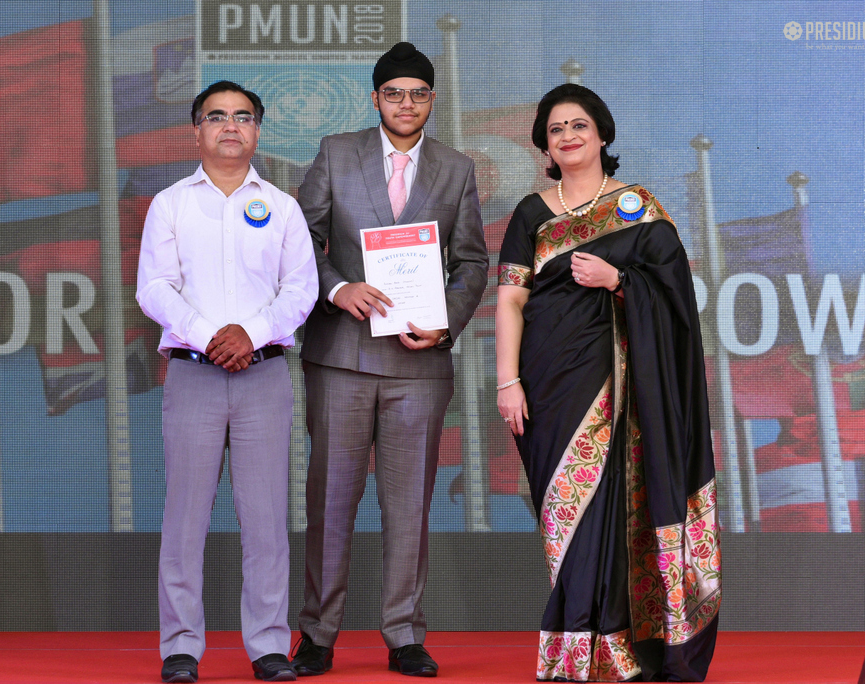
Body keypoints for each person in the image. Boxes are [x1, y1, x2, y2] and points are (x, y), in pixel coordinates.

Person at [495, 84, 721, 682]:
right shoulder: (531, 213)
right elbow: (511, 300)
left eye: (579, 125)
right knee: (564, 513)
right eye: (556, 129)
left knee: (611, 508)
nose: (568, 136)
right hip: (547, 383)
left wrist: (619, 280)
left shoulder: (637, 208)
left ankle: (612, 647)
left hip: (622, 388)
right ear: (544, 145)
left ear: (601, 134)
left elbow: (676, 300)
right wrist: (506, 381)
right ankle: (579, 644)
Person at [291, 42, 488, 678]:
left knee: (409, 507)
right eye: (395, 93)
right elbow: (298, 238)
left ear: (432, 100)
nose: (407, 103)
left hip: (419, 363)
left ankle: (404, 634)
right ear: (375, 98)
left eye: (419, 93)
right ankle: (317, 634)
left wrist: (446, 319)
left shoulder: (456, 168)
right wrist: (335, 288)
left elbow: (472, 261)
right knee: (330, 502)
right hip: (341, 357)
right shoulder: (336, 152)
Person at [136, 80, 318, 683]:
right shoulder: (170, 204)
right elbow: (154, 287)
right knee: (185, 518)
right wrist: (211, 335)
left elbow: (301, 290)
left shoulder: (283, 207)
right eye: (216, 117)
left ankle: (268, 645)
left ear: (258, 130)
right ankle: (180, 647)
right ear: (197, 131)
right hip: (194, 373)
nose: (230, 126)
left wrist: (251, 334)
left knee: (265, 519)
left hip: (263, 375)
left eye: (242, 116)